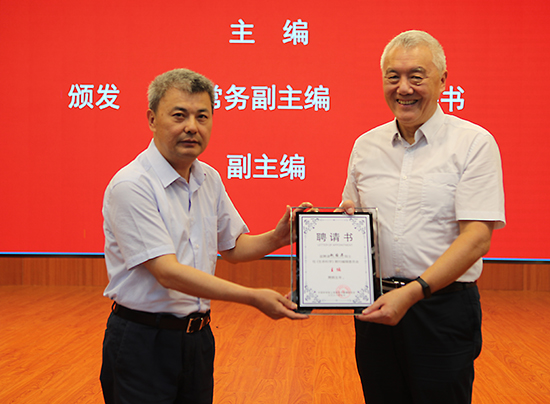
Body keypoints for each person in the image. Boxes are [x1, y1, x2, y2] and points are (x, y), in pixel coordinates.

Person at [99, 68, 308, 404]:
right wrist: (253, 297)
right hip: (143, 341)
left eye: (202, 116)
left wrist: (278, 238)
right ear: (152, 119)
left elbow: (233, 246)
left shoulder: (208, 178)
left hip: (197, 340)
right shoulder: (132, 185)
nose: (192, 127)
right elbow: (167, 272)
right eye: (179, 115)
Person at [340, 30, 505, 404]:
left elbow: (477, 238)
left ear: (443, 80)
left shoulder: (473, 143)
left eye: (416, 76)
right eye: (393, 76)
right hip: (376, 308)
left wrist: (413, 292)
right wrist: (337, 227)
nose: (404, 88)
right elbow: (354, 218)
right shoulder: (366, 146)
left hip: (442, 310)